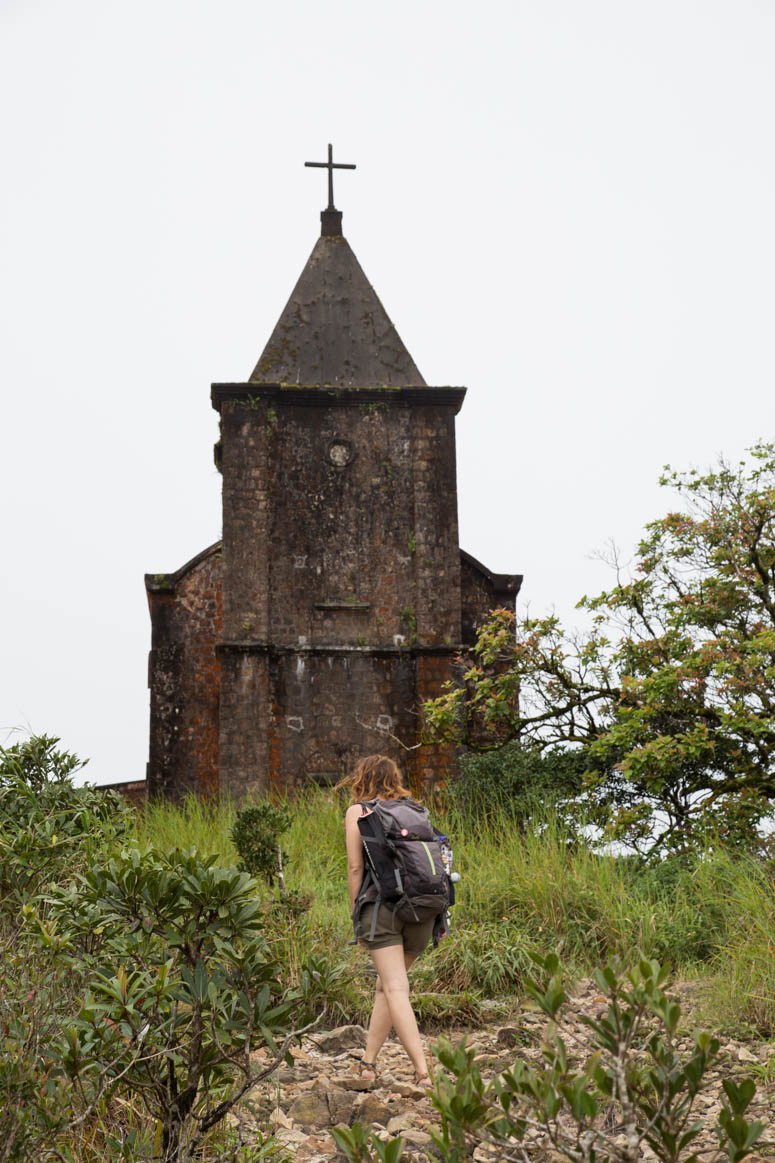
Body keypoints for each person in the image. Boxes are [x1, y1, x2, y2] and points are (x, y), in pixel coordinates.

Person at [340, 754, 433, 1087]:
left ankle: (423, 1072)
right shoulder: (416, 810)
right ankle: (369, 1062)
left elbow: (355, 868)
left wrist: (357, 914)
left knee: (395, 988)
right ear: (394, 778)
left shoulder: (359, 811)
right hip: (425, 909)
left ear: (361, 779)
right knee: (386, 985)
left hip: (384, 908)